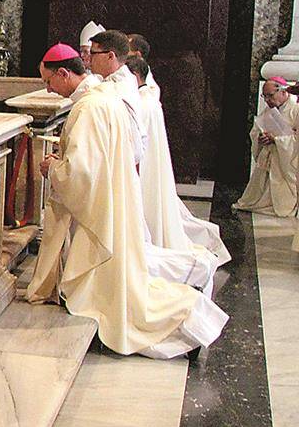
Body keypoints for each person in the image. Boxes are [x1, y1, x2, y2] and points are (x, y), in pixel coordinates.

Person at [26, 45, 227, 358]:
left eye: (49, 81)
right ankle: (192, 314)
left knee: (113, 300)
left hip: (101, 211)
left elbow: (81, 172)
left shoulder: (89, 109)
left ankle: (187, 315)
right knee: (124, 284)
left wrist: (52, 166)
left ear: (64, 73)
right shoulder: (106, 97)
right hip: (114, 201)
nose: (48, 89)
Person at [129, 56, 231, 266]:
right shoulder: (148, 96)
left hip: (143, 168)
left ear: (135, 76)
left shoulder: (142, 103)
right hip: (150, 166)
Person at [234, 78, 299, 217]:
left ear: (282, 92)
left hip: (284, 161)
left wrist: (276, 139)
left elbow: (296, 139)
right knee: (254, 196)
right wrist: (261, 137)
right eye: (265, 96)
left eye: (271, 95)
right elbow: (256, 130)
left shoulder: (295, 108)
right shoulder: (270, 109)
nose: (268, 100)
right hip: (269, 155)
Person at [88, 29, 148, 166]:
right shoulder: (123, 80)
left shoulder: (117, 88)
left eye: (93, 53)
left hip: (119, 162)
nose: (88, 59)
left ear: (110, 56)